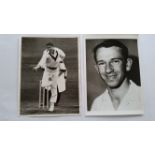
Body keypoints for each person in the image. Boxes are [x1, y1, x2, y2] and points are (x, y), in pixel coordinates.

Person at [91, 40, 142, 112]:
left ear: (128, 64)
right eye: (102, 63)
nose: (108, 70)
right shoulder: (97, 104)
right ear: (97, 69)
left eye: (115, 61)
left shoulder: (143, 97)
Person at [34, 42, 67, 112]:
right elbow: (42, 60)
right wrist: (38, 66)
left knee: (54, 88)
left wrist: (60, 61)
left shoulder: (58, 51)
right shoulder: (46, 52)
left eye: (50, 47)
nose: (48, 49)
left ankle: (52, 106)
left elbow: (64, 55)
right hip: (47, 70)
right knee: (44, 84)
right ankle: (49, 85)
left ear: (53, 47)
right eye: (47, 48)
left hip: (55, 71)